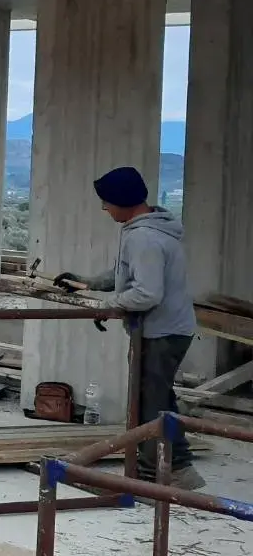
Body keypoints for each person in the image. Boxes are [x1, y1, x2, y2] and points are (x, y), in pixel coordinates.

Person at [53, 165, 205, 489]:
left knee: (149, 405)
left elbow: (147, 293)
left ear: (123, 201)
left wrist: (110, 305)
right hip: (168, 329)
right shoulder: (148, 229)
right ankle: (178, 470)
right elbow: (127, 275)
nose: (104, 208)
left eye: (107, 202)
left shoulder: (144, 238)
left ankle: (156, 476)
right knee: (158, 400)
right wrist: (89, 283)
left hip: (162, 332)